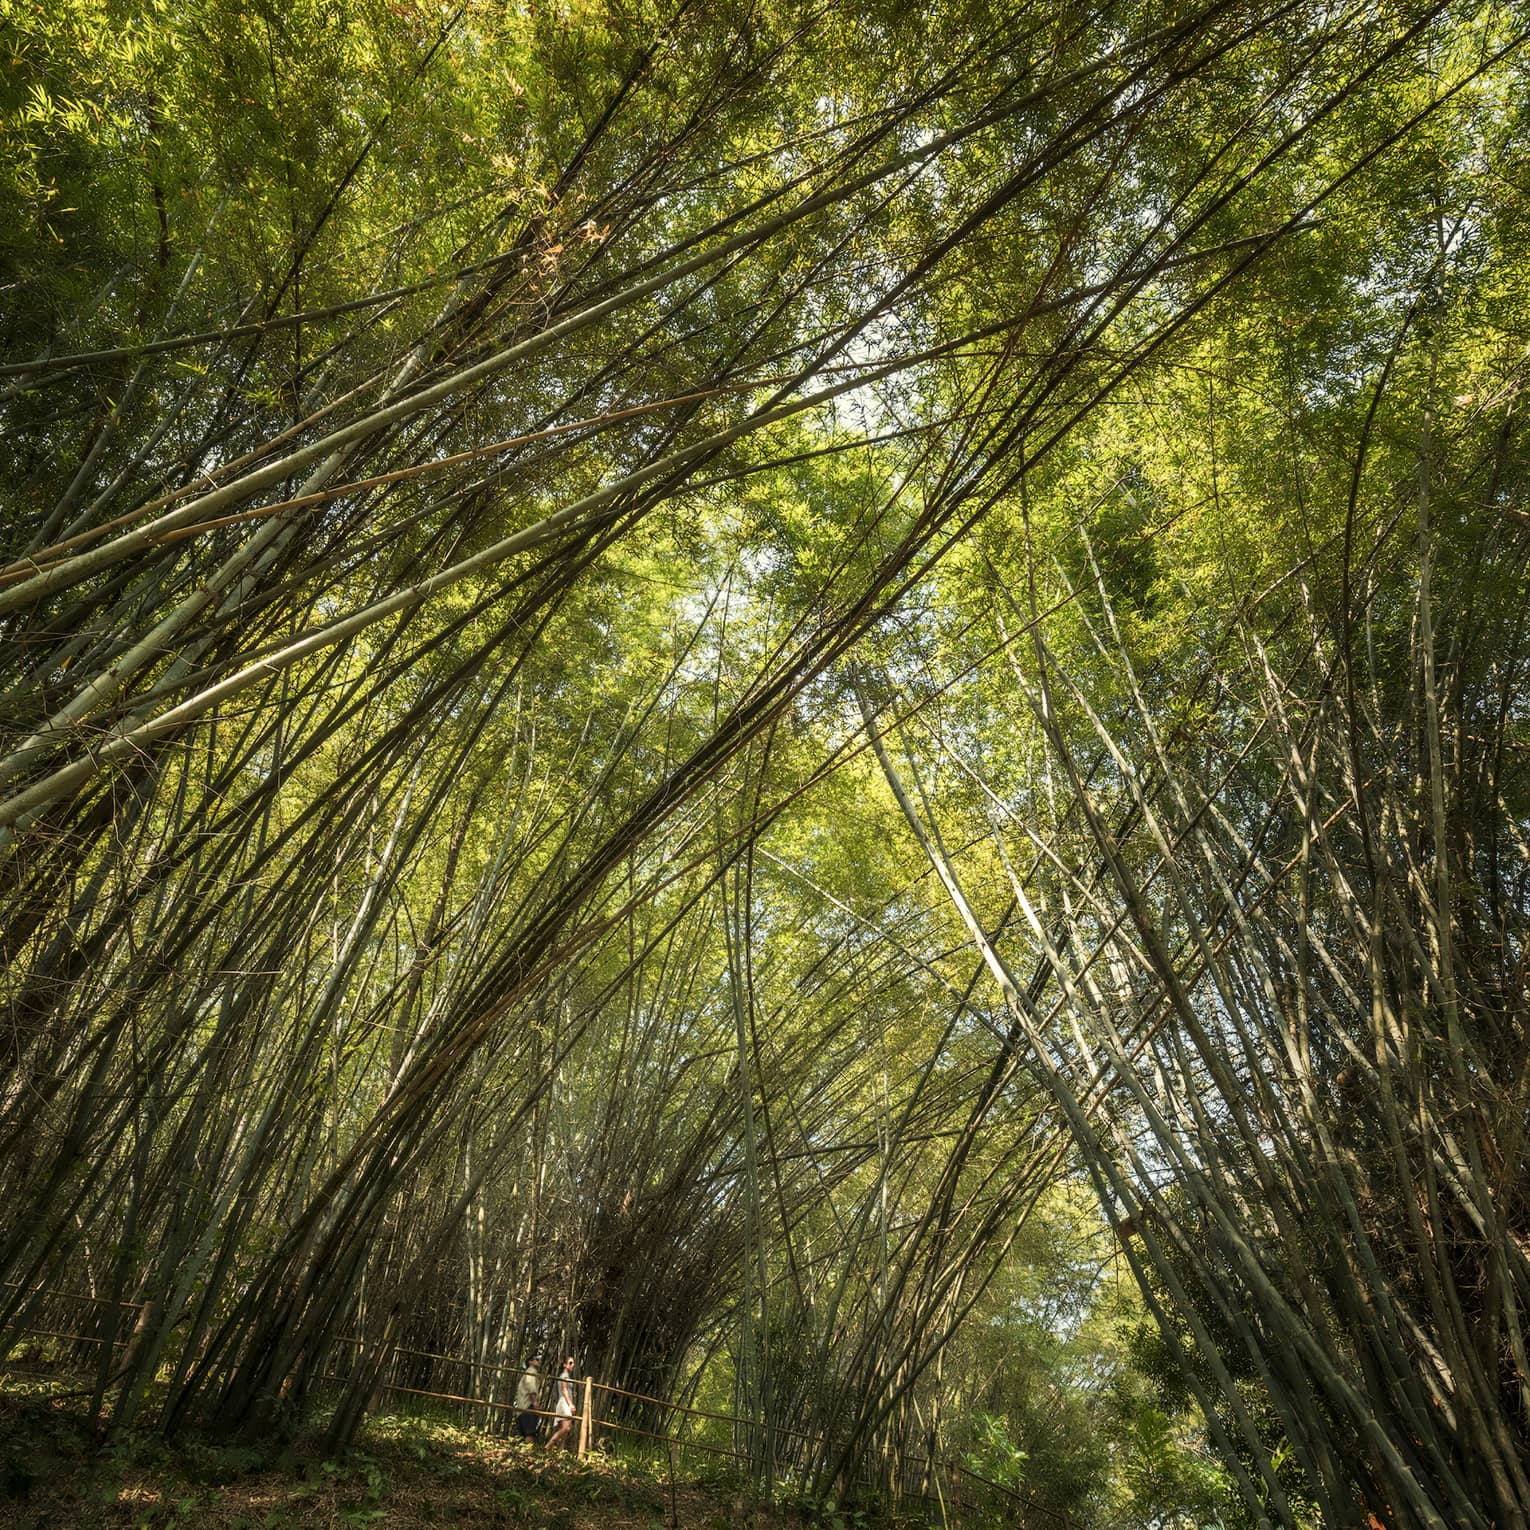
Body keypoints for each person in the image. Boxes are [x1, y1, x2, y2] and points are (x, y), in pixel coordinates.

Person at [544, 1355, 578, 1450]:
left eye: (573, 1363)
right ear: (564, 1365)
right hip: (564, 1404)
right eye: (570, 1363)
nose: (572, 1365)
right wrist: (570, 1404)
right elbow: (564, 1390)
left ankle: (559, 1451)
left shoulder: (567, 1376)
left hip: (564, 1402)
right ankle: (547, 1446)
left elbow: (565, 1390)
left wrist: (572, 1394)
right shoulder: (564, 1376)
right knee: (565, 1428)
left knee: (566, 1429)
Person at [513, 1356, 543, 1442]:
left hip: (522, 1408)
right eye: (536, 1359)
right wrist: (536, 1404)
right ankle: (527, 1454)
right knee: (530, 1434)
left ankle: (522, 1453)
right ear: (530, 1362)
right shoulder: (531, 1372)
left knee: (526, 1435)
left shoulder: (528, 1373)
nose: (539, 1361)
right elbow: (531, 1390)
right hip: (528, 1407)